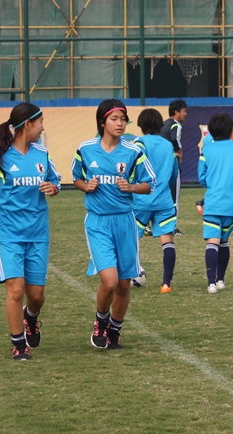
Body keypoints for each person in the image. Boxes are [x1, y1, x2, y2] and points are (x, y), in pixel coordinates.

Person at [0, 102, 61, 360]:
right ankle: (19, 345)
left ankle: (30, 318)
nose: (42, 128)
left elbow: (56, 179)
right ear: (27, 124)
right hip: (8, 234)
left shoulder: (42, 153)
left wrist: (53, 188)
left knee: (37, 296)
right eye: (39, 122)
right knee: (16, 290)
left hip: (38, 233)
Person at [72, 99, 156, 350]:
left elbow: (149, 183)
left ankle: (115, 330)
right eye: (114, 119)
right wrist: (85, 186)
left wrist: (130, 186)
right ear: (102, 122)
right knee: (109, 281)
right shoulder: (86, 149)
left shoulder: (133, 151)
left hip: (125, 222)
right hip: (98, 222)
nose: (120, 124)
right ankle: (101, 321)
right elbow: (76, 177)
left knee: (123, 283)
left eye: (123, 119)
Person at [198, 112, 233, 294]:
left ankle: (211, 283)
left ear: (211, 132)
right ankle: (221, 279)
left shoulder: (206, 151)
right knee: (224, 242)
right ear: (231, 131)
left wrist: (213, 186)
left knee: (212, 242)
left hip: (213, 203)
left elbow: (202, 178)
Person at [133, 108, 178, 294]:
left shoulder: (138, 144)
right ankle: (166, 283)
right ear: (160, 124)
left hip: (140, 200)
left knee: (130, 240)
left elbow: (131, 170)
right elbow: (175, 174)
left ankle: (129, 274)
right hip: (164, 200)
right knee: (167, 241)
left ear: (141, 125)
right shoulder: (169, 146)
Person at [160, 99, 187, 235]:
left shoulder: (162, 124)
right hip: (171, 164)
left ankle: (150, 224)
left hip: (160, 165)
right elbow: (175, 139)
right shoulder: (175, 125)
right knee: (174, 196)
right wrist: (179, 152)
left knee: (159, 194)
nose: (185, 114)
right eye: (183, 111)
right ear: (176, 112)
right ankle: (172, 227)